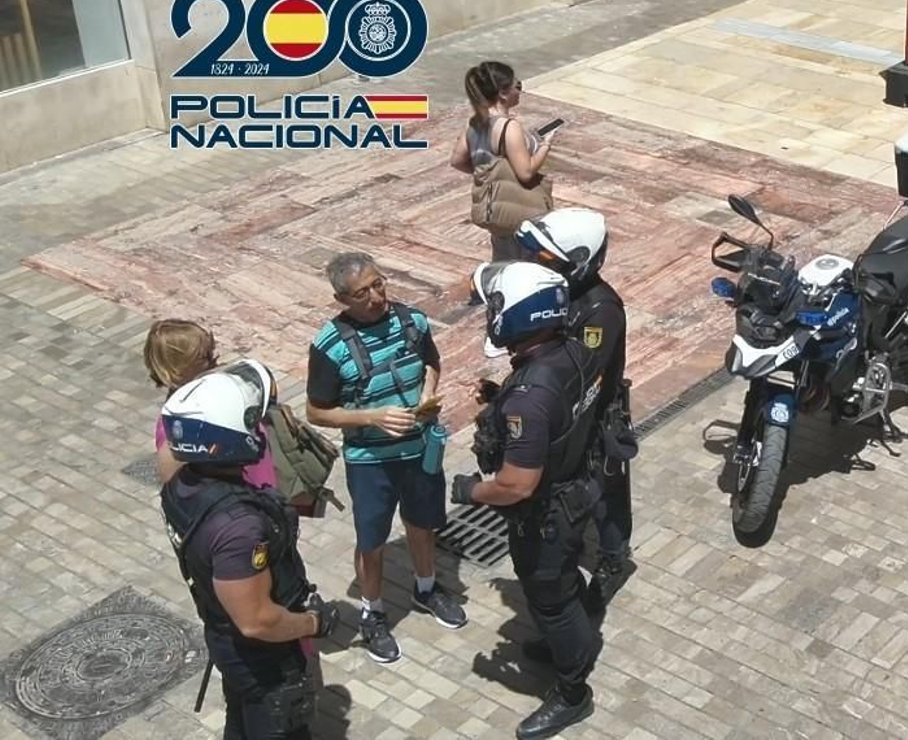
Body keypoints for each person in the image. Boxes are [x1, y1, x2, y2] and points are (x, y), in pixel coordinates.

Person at [451, 261, 604, 739]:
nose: (491, 314)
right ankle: (575, 639)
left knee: (549, 596)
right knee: (562, 588)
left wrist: (469, 491)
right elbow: (559, 410)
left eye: (498, 307)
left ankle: (572, 692)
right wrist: (503, 397)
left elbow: (516, 484)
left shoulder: (529, 398)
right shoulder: (574, 350)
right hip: (578, 488)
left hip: (546, 513)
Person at [158, 359, 339, 739]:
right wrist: (314, 623)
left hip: (227, 644)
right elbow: (257, 620)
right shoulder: (239, 526)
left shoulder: (181, 485)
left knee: (240, 722)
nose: (258, 429)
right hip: (264, 663)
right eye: (250, 421)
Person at [305, 252, 466, 664]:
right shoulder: (329, 346)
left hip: (419, 448)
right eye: (364, 293)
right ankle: (372, 612)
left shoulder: (412, 321)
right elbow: (316, 411)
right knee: (371, 540)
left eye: (380, 284)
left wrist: (429, 391)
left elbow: (431, 361)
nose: (377, 297)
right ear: (343, 299)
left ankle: (426, 587)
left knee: (422, 522)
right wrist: (372, 417)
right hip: (370, 460)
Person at [517, 209, 638, 604]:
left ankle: (614, 558)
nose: (537, 265)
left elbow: (580, 367)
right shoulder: (555, 295)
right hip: (563, 416)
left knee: (607, 493)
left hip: (595, 417)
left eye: (547, 260)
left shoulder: (600, 310)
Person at [145, 319, 277, 490]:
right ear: (176, 370)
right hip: (245, 500)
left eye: (212, 350)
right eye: (205, 356)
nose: (214, 359)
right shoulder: (178, 425)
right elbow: (174, 486)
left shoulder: (222, 391)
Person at [449, 61, 558, 263]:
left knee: (504, 262)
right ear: (503, 94)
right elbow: (525, 172)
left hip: (495, 209)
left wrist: (485, 170)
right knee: (530, 264)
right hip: (521, 210)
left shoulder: (475, 124)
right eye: (518, 87)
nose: (520, 91)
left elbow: (457, 160)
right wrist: (545, 146)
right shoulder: (509, 127)